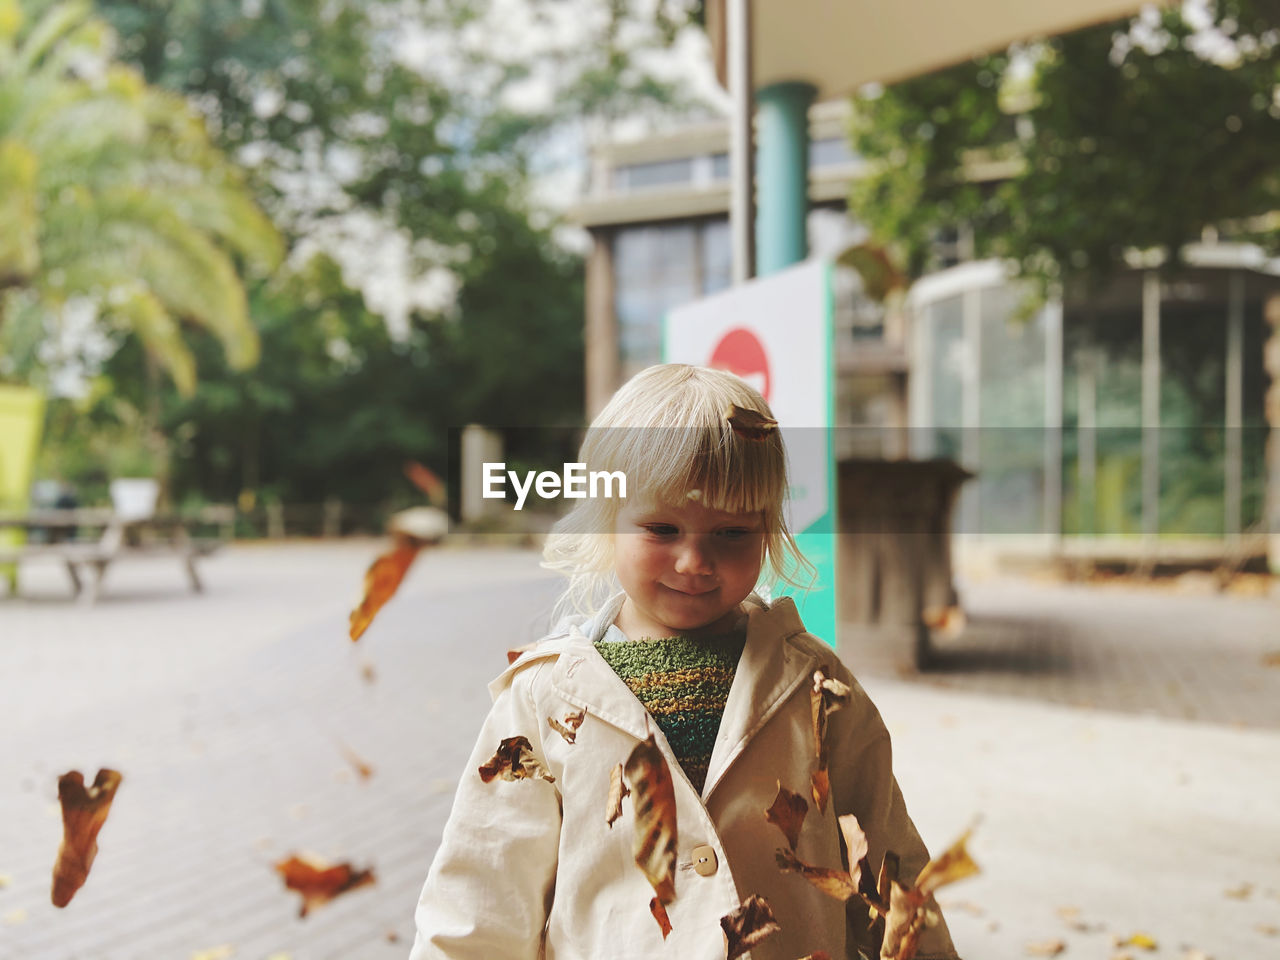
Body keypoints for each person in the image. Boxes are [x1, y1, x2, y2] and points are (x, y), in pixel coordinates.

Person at [410, 364, 959, 960]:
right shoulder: (544, 697)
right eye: (662, 528)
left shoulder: (816, 683)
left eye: (731, 533)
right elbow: (481, 900)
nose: (695, 560)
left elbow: (891, 863)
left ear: (768, 530)